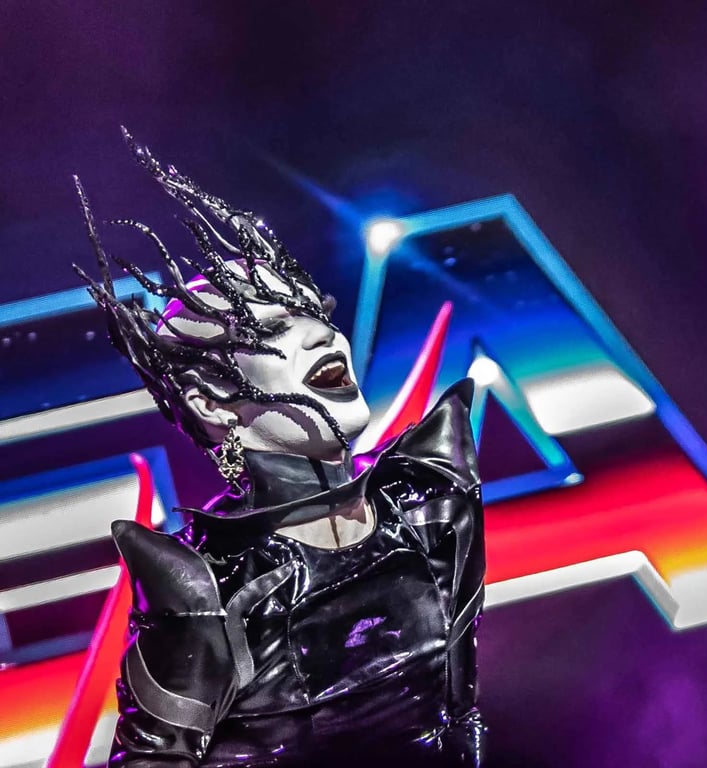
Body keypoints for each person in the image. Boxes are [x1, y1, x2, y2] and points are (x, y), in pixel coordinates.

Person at [76, 130, 486, 768]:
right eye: (269, 329)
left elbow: (461, 714)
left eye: (315, 311)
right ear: (211, 404)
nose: (321, 335)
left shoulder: (435, 499)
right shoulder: (209, 589)